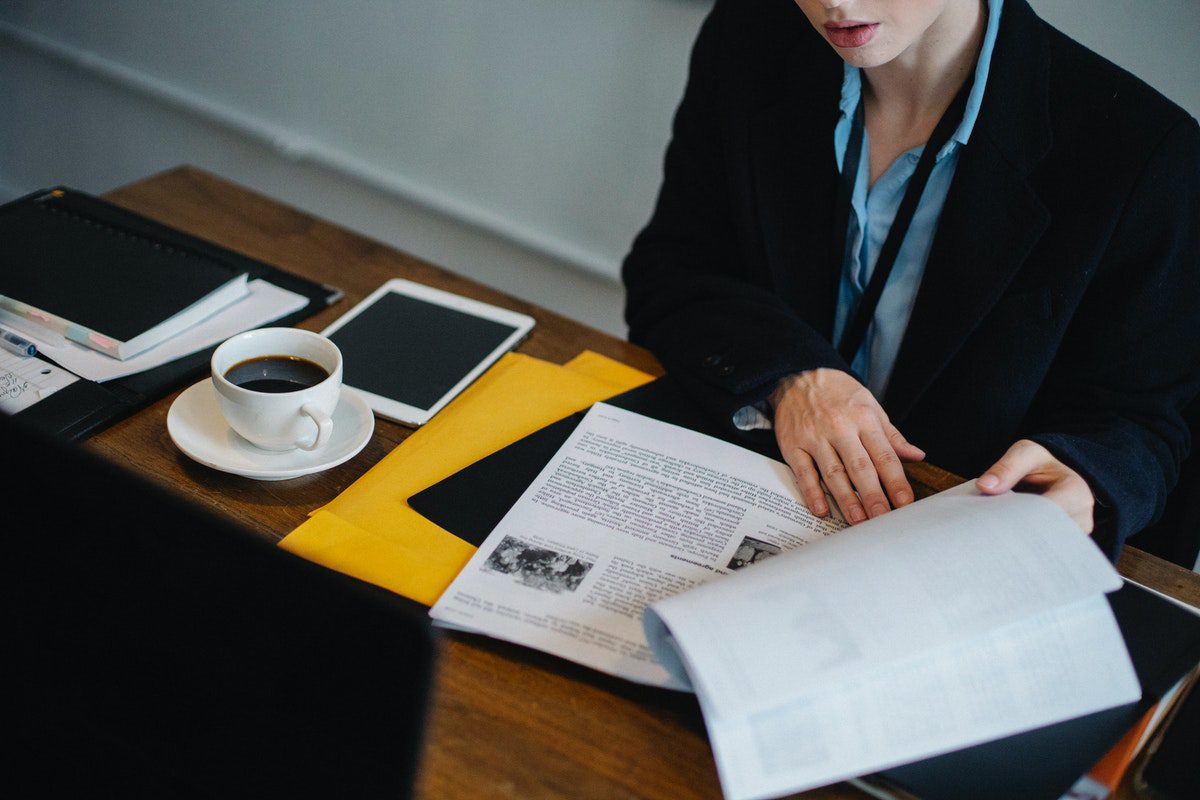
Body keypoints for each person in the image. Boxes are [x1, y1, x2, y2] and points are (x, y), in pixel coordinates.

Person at [621, 0, 1200, 561]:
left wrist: (1086, 476)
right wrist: (791, 378)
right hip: (755, 499)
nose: (836, 4)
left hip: (960, 556)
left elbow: (1145, 420)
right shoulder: (748, 35)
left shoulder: (1145, 148)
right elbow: (670, 266)